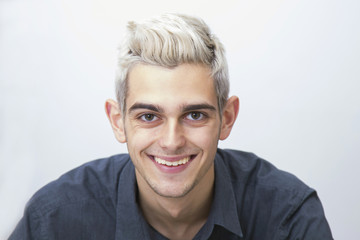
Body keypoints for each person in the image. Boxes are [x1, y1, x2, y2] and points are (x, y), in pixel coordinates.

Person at [9, 13, 333, 240]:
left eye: (195, 115)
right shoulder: (53, 221)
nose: (171, 140)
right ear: (118, 122)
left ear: (227, 118)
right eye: (149, 116)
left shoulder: (288, 217)